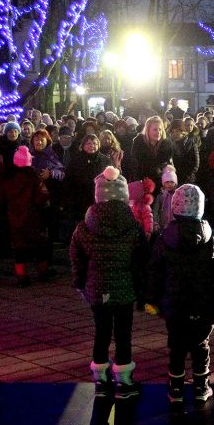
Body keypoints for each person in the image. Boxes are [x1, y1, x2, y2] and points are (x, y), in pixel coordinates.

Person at [147, 184, 214, 404]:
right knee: (200, 345)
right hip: (203, 305)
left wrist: (151, 299)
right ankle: (200, 387)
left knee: (176, 345)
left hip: (174, 305)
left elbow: (154, 272)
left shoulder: (163, 239)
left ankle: (176, 389)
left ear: (175, 210)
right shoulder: (212, 238)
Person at [70, 166, 148, 400]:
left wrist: (80, 281)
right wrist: (141, 288)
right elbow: (142, 258)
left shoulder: (85, 227)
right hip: (124, 290)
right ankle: (124, 382)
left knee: (101, 332)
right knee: (123, 334)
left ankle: (101, 381)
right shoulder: (132, 226)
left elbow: (76, 256)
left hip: (97, 289)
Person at [0, 146, 55, 287]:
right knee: (41, 244)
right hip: (33, 217)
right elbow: (42, 196)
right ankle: (43, 271)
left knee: (19, 247)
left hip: (15, 217)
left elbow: (0, 198)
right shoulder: (33, 177)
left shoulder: (8, 178)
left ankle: (21, 275)